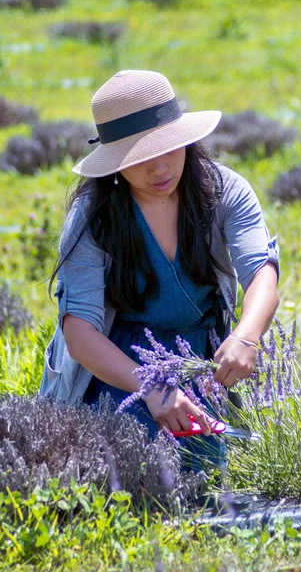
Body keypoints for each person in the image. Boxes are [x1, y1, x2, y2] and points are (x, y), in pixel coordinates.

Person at [40, 69, 280, 466]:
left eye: (170, 149)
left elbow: (261, 271)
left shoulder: (225, 192)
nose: (159, 169)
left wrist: (246, 336)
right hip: (120, 369)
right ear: (115, 163)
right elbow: (80, 333)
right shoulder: (92, 218)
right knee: (127, 472)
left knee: (205, 469)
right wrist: (151, 388)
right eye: (140, 159)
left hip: (197, 362)